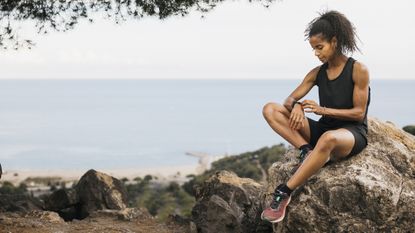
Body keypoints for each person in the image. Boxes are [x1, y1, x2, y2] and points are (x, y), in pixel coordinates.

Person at [260, 10, 371, 223]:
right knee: (270, 109)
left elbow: (359, 112)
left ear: (335, 41)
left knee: (328, 139)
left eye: (320, 47)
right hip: (323, 130)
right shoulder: (316, 73)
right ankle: (306, 150)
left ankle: (284, 192)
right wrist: (298, 107)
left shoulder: (358, 70)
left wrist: (323, 110)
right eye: (313, 49)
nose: (316, 53)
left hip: (351, 133)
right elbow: (288, 100)